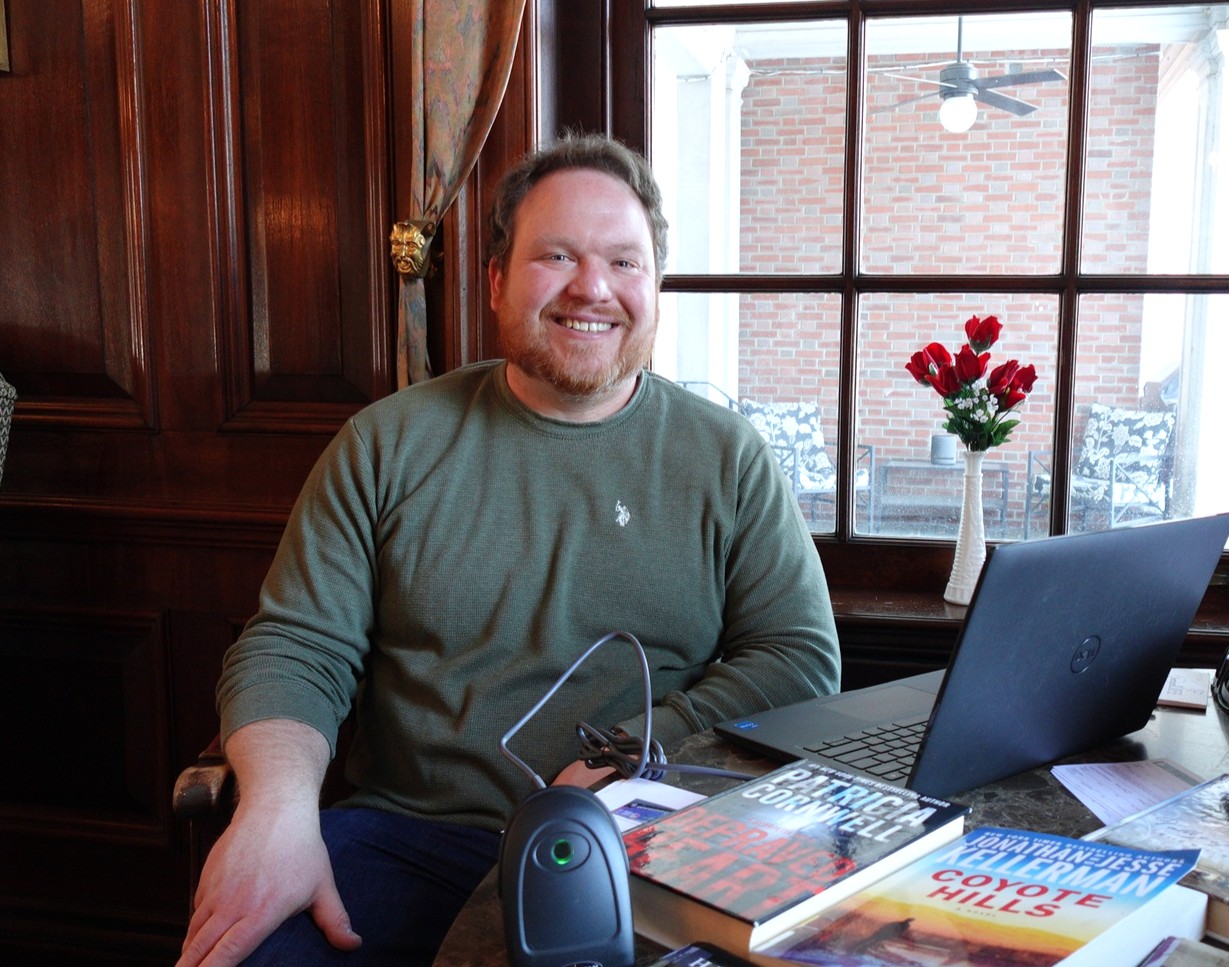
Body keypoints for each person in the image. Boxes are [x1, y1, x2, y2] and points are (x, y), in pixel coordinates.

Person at [177, 132, 841, 967]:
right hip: (412, 838)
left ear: (655, 286)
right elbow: (295, 645)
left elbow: (798, 658)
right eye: (555, 256)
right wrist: (275, 810)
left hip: (649, 842)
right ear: (495, 281)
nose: (591, 288)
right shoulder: (387, 443)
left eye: (623, 262)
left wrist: (631, 750)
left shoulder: (725, 453)